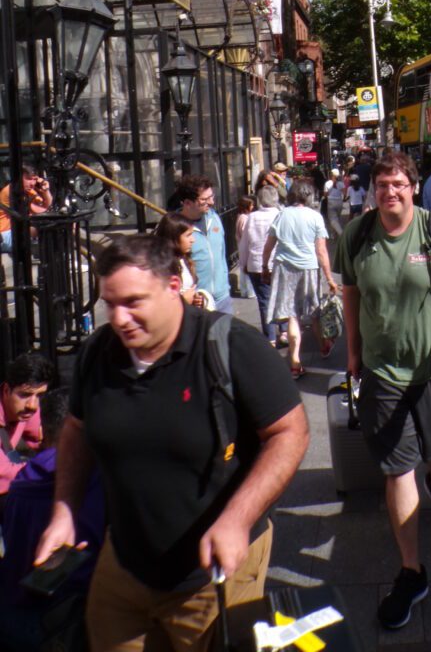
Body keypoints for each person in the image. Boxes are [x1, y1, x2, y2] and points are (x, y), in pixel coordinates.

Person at [35, 234, 309, 651]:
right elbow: (76, 429)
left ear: (173, 287)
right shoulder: (98, 353)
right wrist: (64, 510)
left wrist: (237, 519)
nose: (120, 318)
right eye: (111, 304)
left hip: (211, 575)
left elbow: (290, 432)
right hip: (124, 567)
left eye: (134, 302)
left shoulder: (230, 345)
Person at [335, 152, 431, 630]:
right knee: (399, 470)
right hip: (384, 374)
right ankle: (412, 571)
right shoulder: (358, 236)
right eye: (382, 185)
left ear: (414, 188)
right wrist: (353, 350)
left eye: (398, 184)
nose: (390, 192)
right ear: (373, 190)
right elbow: (351, 291)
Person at [0, 387, 105, 652]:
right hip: (66, 624)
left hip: (14, 615)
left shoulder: (21, 483)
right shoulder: (95, 481)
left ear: (44, 429)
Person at [262, 180, 338, 377]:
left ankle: (295, 362)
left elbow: (269, 245)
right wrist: (329, 278)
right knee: (312, 311)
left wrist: (264, 267)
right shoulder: (315, 217)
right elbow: (321, 251)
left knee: (292, 315)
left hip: (284, 268)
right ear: (309, 196)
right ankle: (323, 347)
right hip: (309, 268)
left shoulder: (282, 215)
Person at [0, 352, 54, 501]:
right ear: (6, 390)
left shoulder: (26, 411)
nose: (33, 405)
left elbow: (47, 441)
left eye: (40, 395)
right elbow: (3, 474)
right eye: (24, 395)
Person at [176, 174, 233, 314]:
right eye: (204, 199)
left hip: (222, 297)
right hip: (197, 302)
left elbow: (221, 253)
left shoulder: (214, 217)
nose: (212, 202)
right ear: (188, 203)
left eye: (212, 196)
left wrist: (225, 284)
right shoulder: (175, 227)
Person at [239, 185, 284, 346]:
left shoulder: (252, 217)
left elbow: (244, 243)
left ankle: (270, 336)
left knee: (264, 301)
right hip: (278, 263)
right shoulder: (280, 215)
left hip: (256, 264)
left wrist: (243, 263)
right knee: (280, 297)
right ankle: (284, 331)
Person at [0, 165, 53, 254]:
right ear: (18, 179)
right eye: (28, 179)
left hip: (15, 235)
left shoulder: (28, 191)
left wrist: (45, 190)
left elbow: (46, 207)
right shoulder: (10, 190)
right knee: (42, 226)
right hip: (5, 236)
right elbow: (39, 210)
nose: (32, 183)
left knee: (57, 224)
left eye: (34, 179)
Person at [155, 211, 202, 306]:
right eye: (188, 235)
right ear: (174, 237)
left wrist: (195, 299)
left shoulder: (184, 258)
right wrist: (183, 301)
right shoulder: (160, 266)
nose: (193, 240)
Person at [235, 196, 256, 298]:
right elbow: (245, 233)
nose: (253, 206)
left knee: (244, 268)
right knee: (247, 268)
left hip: (242, 245)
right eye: (251, 205)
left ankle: (244, 291)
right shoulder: (244, 218)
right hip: (245, 246)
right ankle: (250, 291)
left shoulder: (242, 217)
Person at [324, 169, 346, 239]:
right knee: (337, 218)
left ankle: (341, 234)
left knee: (333, 219)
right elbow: (344, 193)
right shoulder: (341, 183)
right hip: (339, 201)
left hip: (331, 201)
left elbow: (325, 194)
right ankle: (333, 234)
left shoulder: (327, 183)